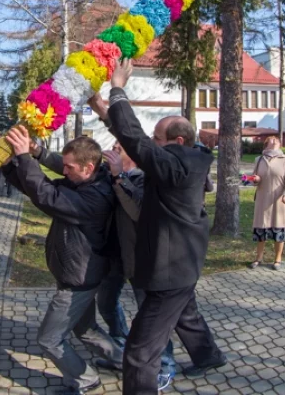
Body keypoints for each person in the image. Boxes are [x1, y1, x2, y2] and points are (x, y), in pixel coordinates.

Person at [88, 60, 226, 394]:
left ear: (177, 141)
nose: (152, 141)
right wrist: (100, 107)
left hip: (168, 271)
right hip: (182, 266)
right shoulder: (184, 162)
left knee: (138, 353)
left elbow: (136, 141)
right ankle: (208, 356)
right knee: (185, 315)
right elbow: (136, 140)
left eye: (158, 138)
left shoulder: (176, 168)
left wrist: (118, 88)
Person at [2, 127, 122, 395]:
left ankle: (85, 379)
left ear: (88, 167)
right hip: (82, 274)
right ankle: (122, 361)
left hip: (77, 279)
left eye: (68, 167)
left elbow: (46, 196)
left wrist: (25, 157)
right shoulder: (87, 181)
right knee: (86, 329)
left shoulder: (93, 198)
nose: (63, 171)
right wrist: (12, 165)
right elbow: (39, 188)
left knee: (49, 339)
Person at [94, 143, 177, 390]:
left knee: (152, 317)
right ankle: (121, 349)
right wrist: (39, 153)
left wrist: (119, 177)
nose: (113, 148)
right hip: (113, 257)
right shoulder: (106, 173)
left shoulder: (144, 179)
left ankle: (165, 364)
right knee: (106, 303)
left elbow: (139, 212)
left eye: (120, 146)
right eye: (114, 144)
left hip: (141, 260)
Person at [249, 136, 285, 270]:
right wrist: (255, 179)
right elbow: (251, 179)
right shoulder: (259, 160)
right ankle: (258, 257)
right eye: (271, 139)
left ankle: (277, 259)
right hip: (263, 200)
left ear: (280, 144)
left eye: (276, 139)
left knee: (278, 230)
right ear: (266, 144)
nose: (274, 140)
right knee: (260, 231)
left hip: (279, 201)